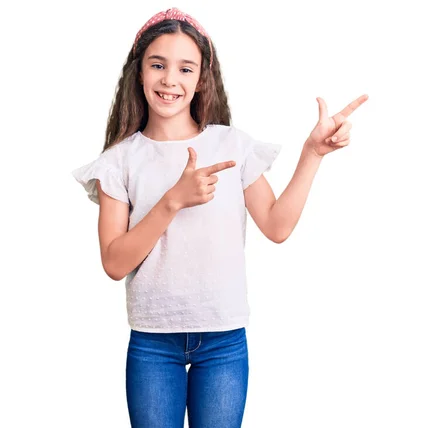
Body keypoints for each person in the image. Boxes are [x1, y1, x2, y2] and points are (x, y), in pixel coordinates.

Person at [72, 7, 368, 428]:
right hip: (153, 345)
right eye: (158, 65)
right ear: (139, 73)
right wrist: (172, 200)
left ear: (201, 78)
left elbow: (277, 226)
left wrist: (312, 154)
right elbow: (114, 263)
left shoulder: (231, 145)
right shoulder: (120, 162)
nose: (170, 79)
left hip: (224, 341)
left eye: (185, 68)